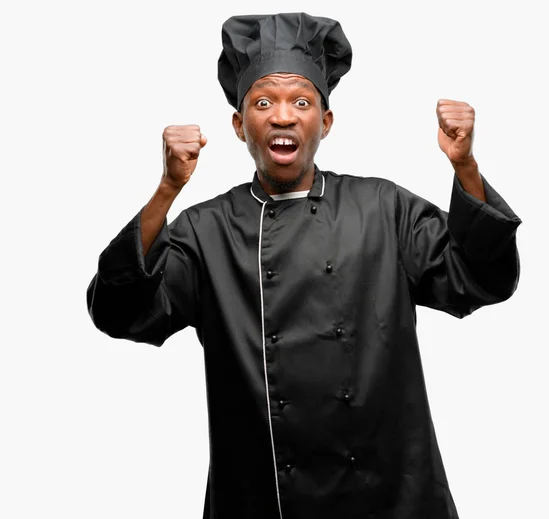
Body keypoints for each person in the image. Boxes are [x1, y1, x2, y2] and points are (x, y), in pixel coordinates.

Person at [87, 12, 521, 519]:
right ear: (238, 124)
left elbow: (479, 278)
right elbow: (118, 311)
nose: (283, 117)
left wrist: (464, 165)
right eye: (263, 102)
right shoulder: (208, 230)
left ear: (326, 122)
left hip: (389, 495)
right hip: (264, 498)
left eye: (301, 102)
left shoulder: (382, 208)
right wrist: (167, 189)